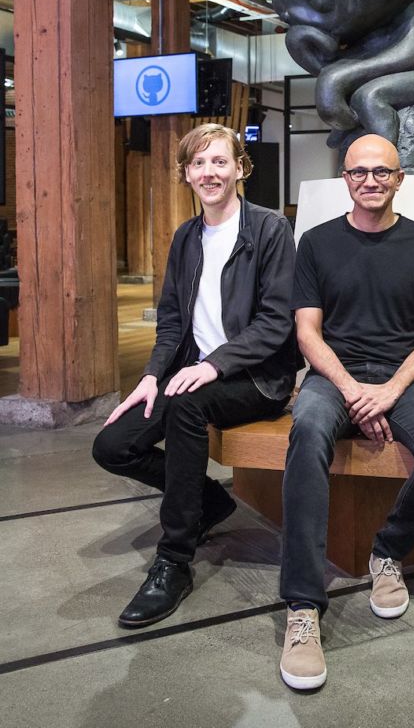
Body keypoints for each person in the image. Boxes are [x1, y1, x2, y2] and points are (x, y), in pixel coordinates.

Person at [279, 134, 414, 691]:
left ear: (399, 179)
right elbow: (307, 332)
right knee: (308, 430)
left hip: (402, 375)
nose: (370, 180)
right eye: (359, 172)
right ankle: (303, 607)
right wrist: (353, 390)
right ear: (346, 179)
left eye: (381, 172)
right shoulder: (314, 242)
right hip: (334, 374)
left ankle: (388, 550)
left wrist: (388, 390)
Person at [93, 124, 298, 627]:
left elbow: (276, 321)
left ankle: (174, 561)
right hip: (191, 371)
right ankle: (207, 500)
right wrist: (151, 375)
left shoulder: (270, 230)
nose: (210, 172)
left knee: (187, 405)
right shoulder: (186, 236)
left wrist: (213, 366)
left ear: (239, 168)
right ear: (186, 174)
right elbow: (170, 319)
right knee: (113, 446)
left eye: (219, 162)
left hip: (254, 377)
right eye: (199, 164)